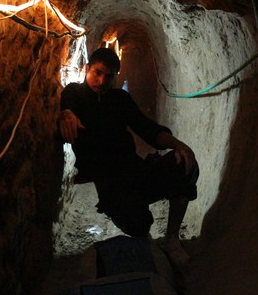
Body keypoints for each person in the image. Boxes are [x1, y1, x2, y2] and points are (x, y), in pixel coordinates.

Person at [59, 47, 199, 265]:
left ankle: (171, 239)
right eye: (97, 72)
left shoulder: (119, 99)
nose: (101, 80)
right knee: (138, 222)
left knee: (186, 164)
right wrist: (67, 115)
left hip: (135, 170)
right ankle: (144, 240)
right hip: (110, 184)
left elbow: (147, 129)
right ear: (87, 69)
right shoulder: (75, 94)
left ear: (115, 77)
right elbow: (67, 105)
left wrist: (181, 146)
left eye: (108, 76)